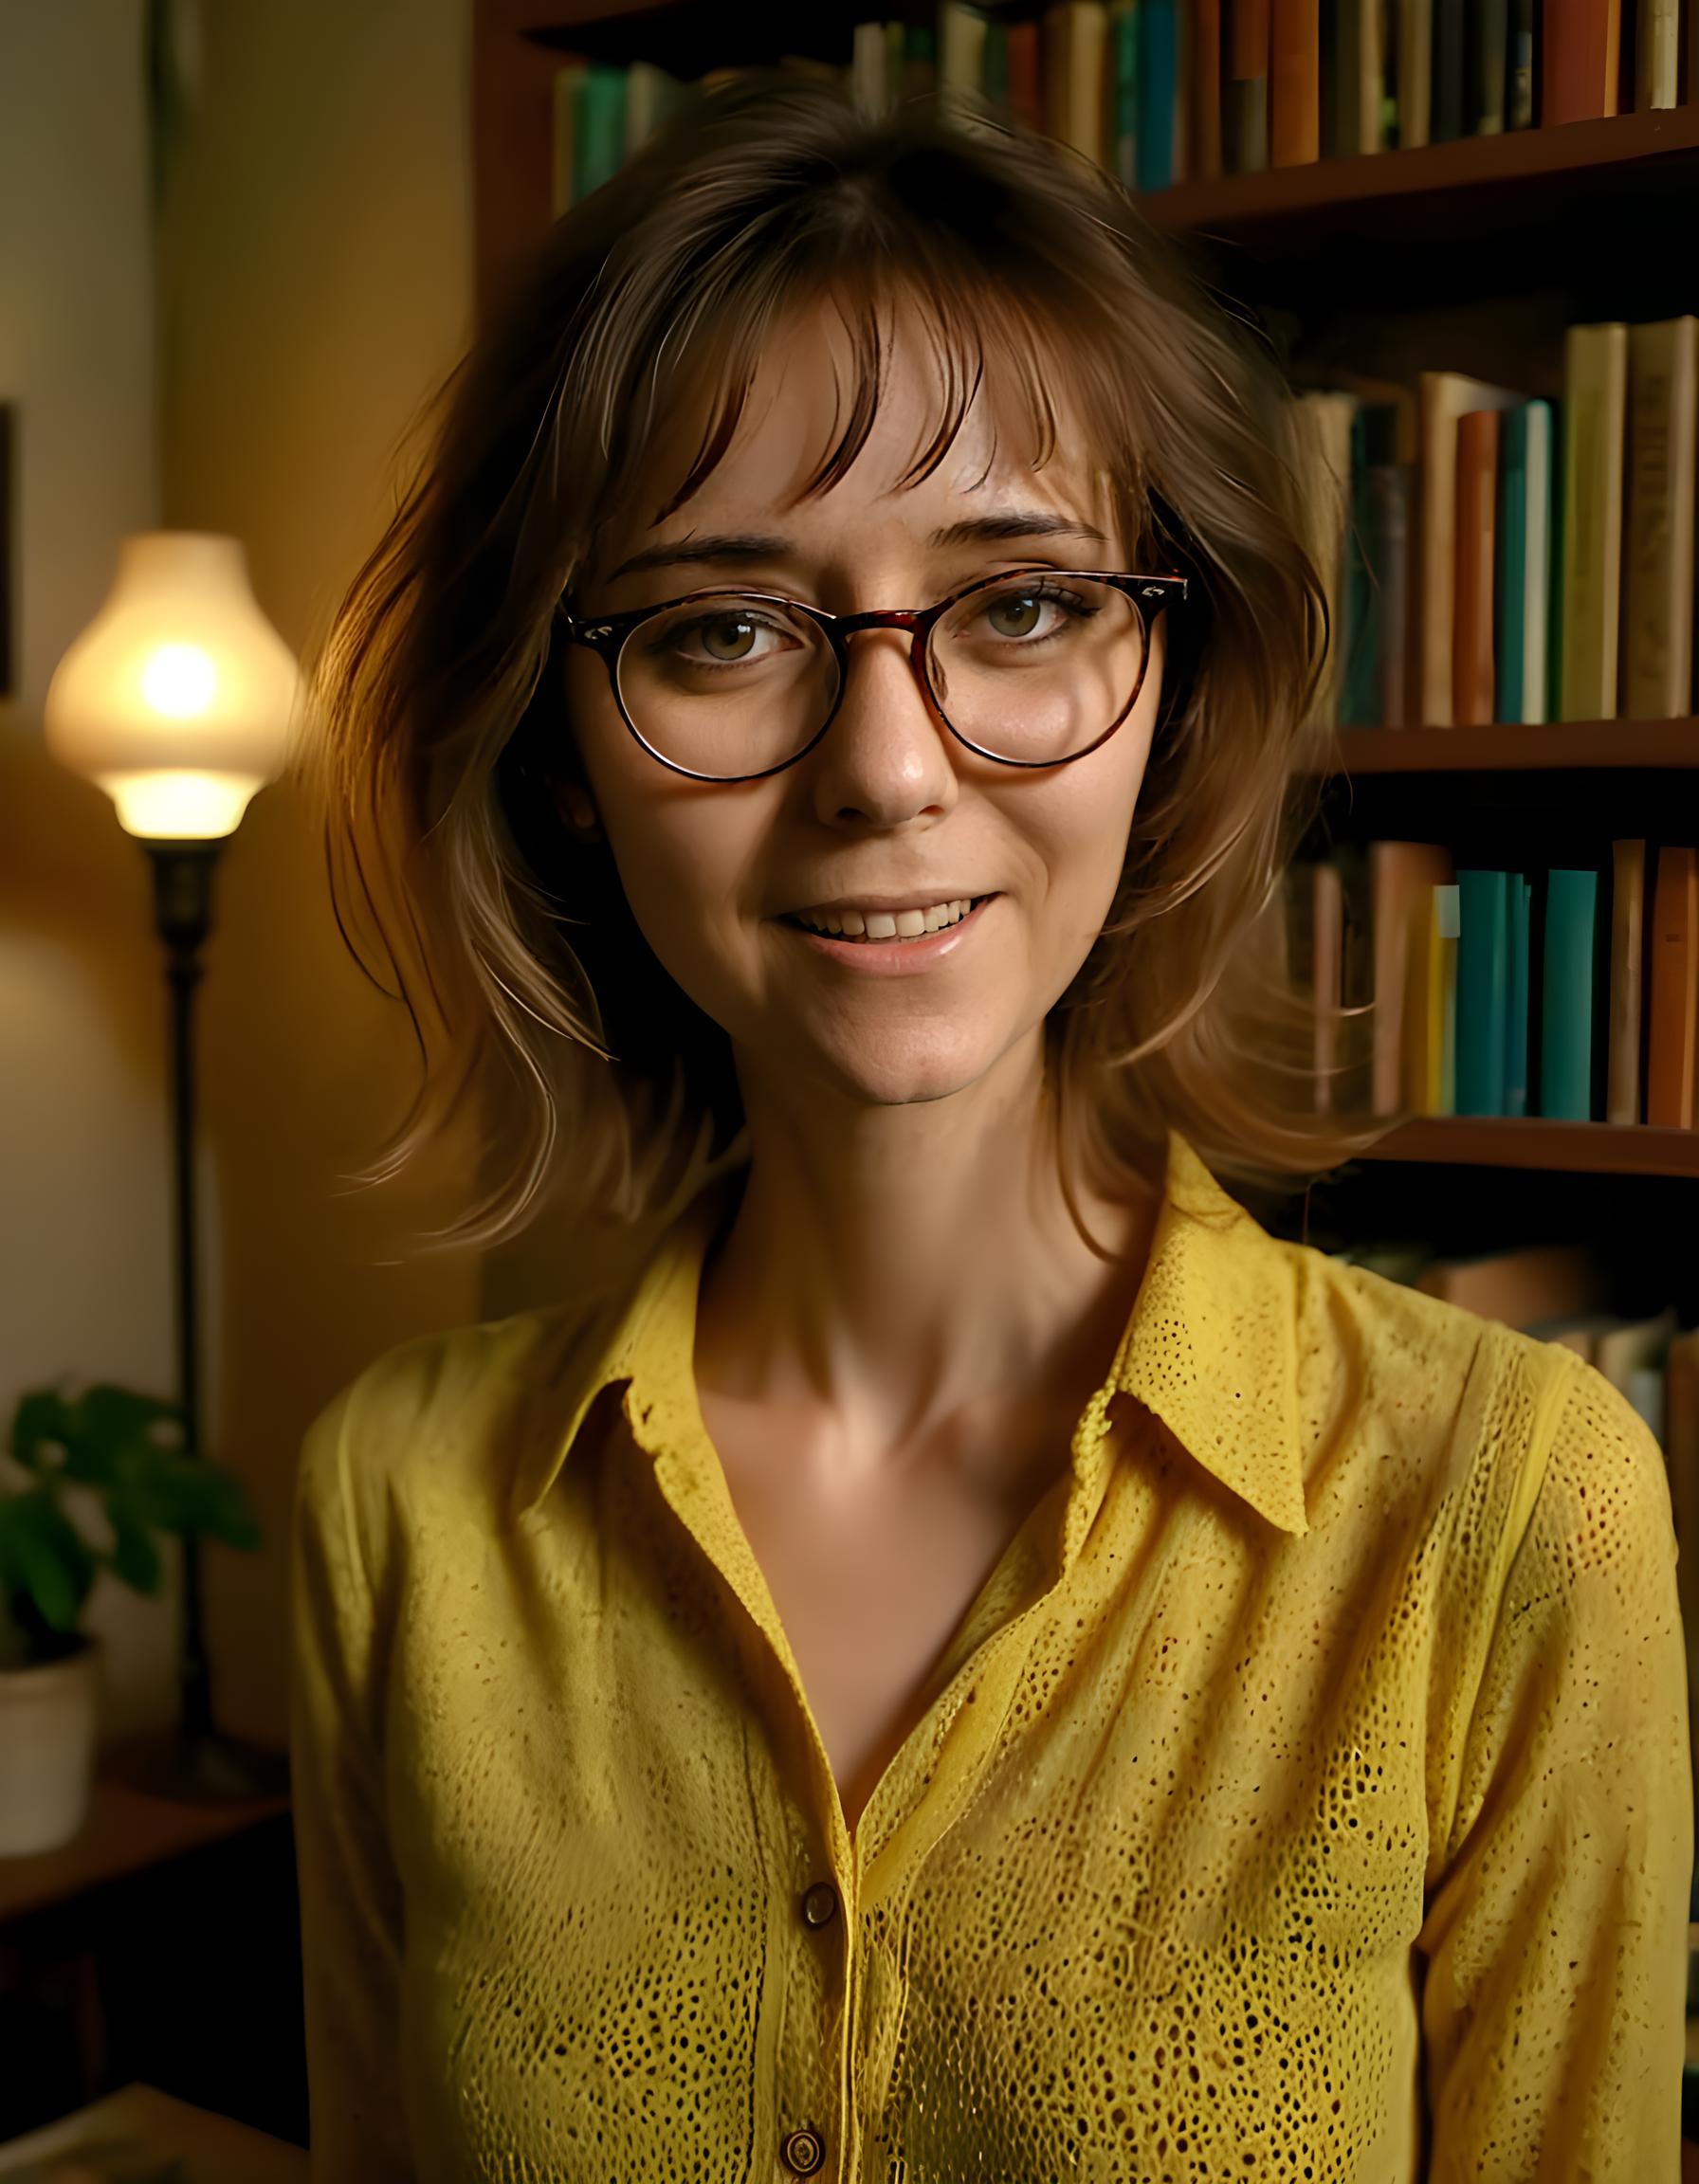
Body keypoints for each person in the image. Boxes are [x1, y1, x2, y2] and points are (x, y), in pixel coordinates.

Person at [287, 73, 1690, 2184]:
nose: (882, 766)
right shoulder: (396, 1509)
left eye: (1018, 606)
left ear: (1177, 678)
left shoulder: (1502, 1514)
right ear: (562, 749)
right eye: (722, 629)